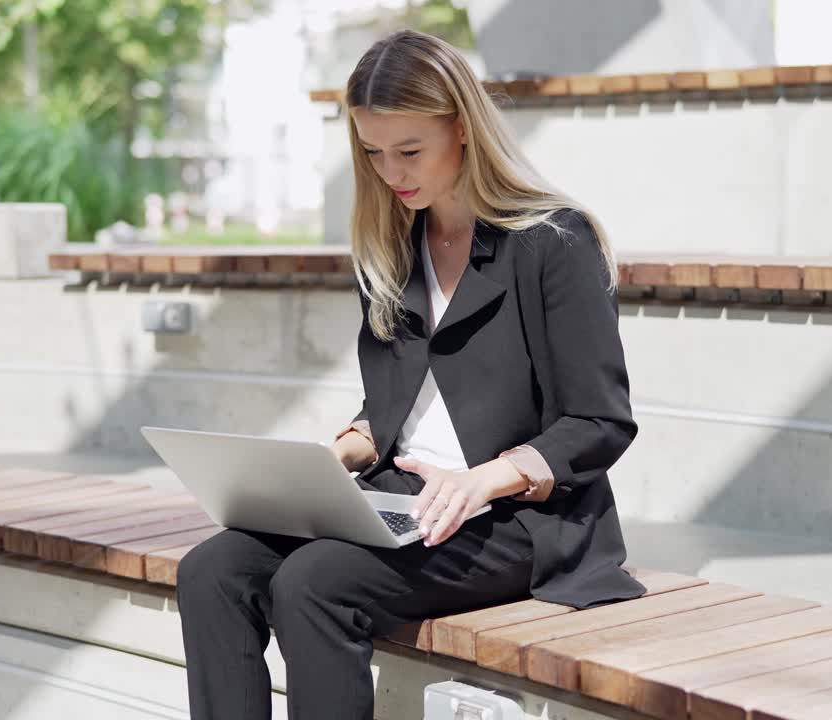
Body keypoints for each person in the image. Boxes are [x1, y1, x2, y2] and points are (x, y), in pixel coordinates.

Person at [174, 29, 645, 720]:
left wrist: (482, 479)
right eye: (372, 152)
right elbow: (395, 405)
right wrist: (338, 454)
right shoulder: (394, 246)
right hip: (403, 502)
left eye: (409, 150)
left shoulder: (553, 243)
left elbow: (602, 421)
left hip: (514, 518)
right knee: (211, 569)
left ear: (462, 127)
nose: (391, 171)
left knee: (313, 581)